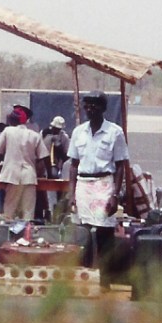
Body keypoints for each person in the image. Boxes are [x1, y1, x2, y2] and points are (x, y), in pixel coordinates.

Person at [67, 90, 129, 228]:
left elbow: (120, 166)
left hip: (104, 185)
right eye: (87, 107)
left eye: (94, 106)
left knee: (102, 226)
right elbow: (73, 165)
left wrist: (115, 196)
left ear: (103, 108)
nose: (89, 110)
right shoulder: (78, 132)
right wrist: (71, 194)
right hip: (83, 186)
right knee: (82, 228)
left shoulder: (115, 132)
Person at [0, 109, 48, 220]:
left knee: (9, 211)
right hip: (29, 176)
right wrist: (49, 174)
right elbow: (45, 157)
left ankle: (8, 229)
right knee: (28, 212)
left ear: (12, 120)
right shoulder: (34, 135)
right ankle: (27, 230)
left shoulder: (8, 131)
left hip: (12, 175)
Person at [41, 115, 71, 217]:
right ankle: (48, 211)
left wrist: (59, 148)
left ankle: (58, 212)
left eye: (58, 129)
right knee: (47, 192)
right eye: (55, 128)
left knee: (58, 191)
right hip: (44, 166)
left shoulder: (64, 137)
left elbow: (67, 155)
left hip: (57, 167)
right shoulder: (44, 133)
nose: (56, 130)